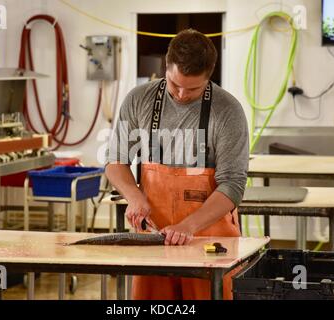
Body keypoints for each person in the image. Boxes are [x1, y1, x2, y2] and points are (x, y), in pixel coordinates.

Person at [105, 29, 249, 300]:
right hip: (154, 238)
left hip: (210, 242)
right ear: (166, 68)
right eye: (174, 84)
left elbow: (233, 185)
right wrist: (134, 196)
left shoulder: (228, 111)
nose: (182, 95)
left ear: (209, 76)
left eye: (193, 88)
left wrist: (188, 226)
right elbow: (115, 162)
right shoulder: (139, 100)